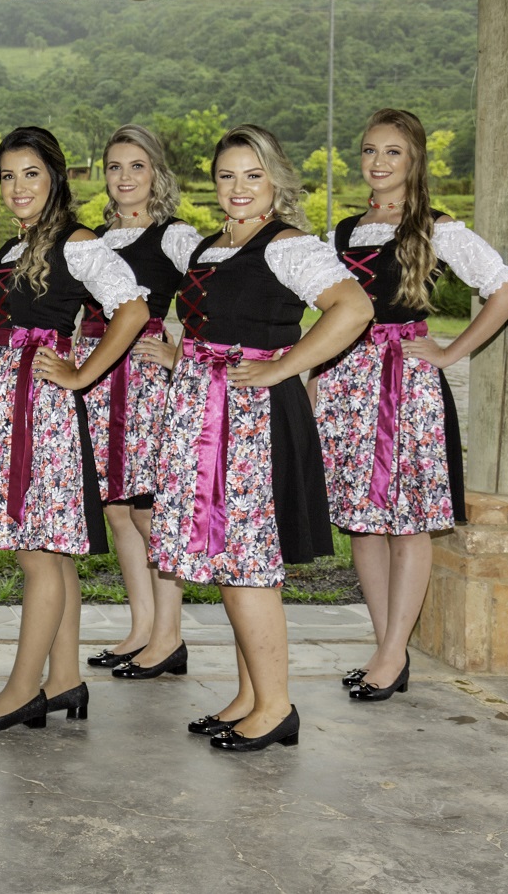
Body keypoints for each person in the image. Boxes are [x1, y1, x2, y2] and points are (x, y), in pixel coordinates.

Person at [146, 125, 372, 751]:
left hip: (249, 418)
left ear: (274, 179)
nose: (238, 188)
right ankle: (248, 695)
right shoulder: (212, 246)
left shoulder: (288, 245)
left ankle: (276, 707)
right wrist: (178, 360)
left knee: (248, 564)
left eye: (253, 175)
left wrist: (282, 365)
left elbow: (354, 310)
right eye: (227, 175)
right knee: (230, 561)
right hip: (204, 411)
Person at [313, 108, 508, 701]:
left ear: (414, 161)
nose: (377, 163)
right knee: (361, 524)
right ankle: (389, 649)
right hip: (349, 386)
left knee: (406, 525)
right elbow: (331, 312)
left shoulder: (435, 226)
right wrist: (317, 373)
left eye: (392, 153)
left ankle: (388, 652)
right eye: (369, 151)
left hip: (406, 387)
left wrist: (453, 350)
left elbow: (507, 291)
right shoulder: (344, 232)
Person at [0, 127, 150, 733]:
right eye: (7, 176)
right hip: (8, 398)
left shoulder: (78, 242)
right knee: (52, 553)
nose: (17, 187)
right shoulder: (18, 247)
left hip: (42, 407)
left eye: (30, 174)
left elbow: (133, 309)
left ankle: (21, 688)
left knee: (38, 553)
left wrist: (83, 373)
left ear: (55, 177)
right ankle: (64, 680)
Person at [80, 126, 201, 679]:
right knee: (116, 509)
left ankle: (169, 638)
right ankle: (141, 626)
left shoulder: (175, 236)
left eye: (136, 166)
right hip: (97, 375)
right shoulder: (94, 238)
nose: (124, 178)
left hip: (146, 380)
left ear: (156, 172)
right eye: (114, 167)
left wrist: (185, 354)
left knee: (150, 508)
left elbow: (213, 292)